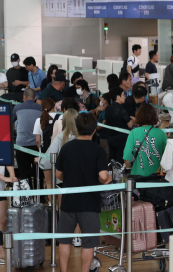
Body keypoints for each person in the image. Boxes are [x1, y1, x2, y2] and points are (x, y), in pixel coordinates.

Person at [56, 113, 111, 272]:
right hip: (90, 203)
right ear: (94, 130)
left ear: (77, 128)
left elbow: (58, 174)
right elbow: (103, 176)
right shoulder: (98, 150)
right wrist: (106, 180)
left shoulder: (67, 147)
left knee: (65, 240)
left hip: (68, 202)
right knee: (89, 243)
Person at [123, 104, 168, 177]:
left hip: (137, 175)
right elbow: (168, 155)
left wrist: (129, 168)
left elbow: (127, 157)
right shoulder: (161, 133)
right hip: (157, 176)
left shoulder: (133, 133)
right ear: (154, 116)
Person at [13, 88, 41, 186]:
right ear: (35, 97)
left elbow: (11, 122)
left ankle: (27, 197)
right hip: (37, 144)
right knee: (39, 172)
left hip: (21, 144)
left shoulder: (17, 108)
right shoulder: (40, 108)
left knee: (24, 172)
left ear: (24, 97)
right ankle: (40, 196)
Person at [105, 87, 134, 164]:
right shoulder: (121, 109)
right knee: (120, 162)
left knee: (112, 161)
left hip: (110, 138)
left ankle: (112, 175)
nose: (125, 97)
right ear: (118, 97)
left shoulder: (107, 108)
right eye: (123, 95)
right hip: (121, 139)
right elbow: (130, 125)